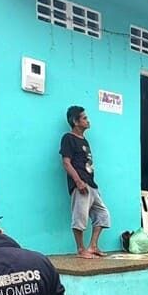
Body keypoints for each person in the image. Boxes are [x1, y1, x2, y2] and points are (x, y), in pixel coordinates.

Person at [60, 105, 110, 259]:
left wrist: (90, 183)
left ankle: (93, 246)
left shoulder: (85, 141)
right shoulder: (68, 138)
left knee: (103, 215)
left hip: (91, 184)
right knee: (80, 217)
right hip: (80, 184)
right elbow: (66, 163)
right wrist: (78, 181)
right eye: (84, 118)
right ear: (75, 121)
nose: (88, 121)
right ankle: (81, 249)